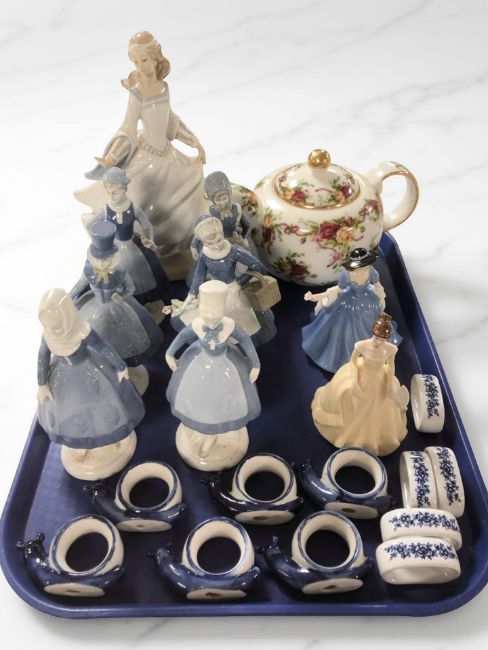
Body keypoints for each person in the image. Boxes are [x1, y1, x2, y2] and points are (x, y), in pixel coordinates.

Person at [74, 31, 206, 277]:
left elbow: (170, 120)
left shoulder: (163, 87)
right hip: (146, 158)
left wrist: (192, 140)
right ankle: (147, 252)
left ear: (156, 58)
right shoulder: (137, 93)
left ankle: (177, 251)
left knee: (187, 190)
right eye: (135, 62)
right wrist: (113, 157)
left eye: (144, 60)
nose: (140, 66)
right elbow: (128, 126)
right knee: (143, 204)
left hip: (167, 154)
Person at [37, 288, 144, 478]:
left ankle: (110, 437)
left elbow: (104, 347)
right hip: (62, 380)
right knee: (73, 414)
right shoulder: (47, 337)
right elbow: (42, 358)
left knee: (104, 409)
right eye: (48, 325)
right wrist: (42, 384)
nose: (53, 329)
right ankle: (82, 443)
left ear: (67, 317)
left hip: (92, 372)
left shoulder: (82, 331)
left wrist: (120, 366)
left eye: (57, 324)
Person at [166, 280, 261, 470]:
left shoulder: (230, 325)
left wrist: (256, 364)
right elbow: (181, 337)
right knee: (197, 397)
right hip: (199, 363)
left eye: (215, 318)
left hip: (226, 364)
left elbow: (246, 342)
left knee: (222, 399)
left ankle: (215, 430)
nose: (210, 322)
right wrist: (169, 353)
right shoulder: (197, 323)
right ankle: (200, 425)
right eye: (207, 317)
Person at [70, 221, 164, 395]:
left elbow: (131, 288)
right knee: (97, 338)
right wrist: (68, 297)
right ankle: (108, 367)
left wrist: (121, 296)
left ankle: (126, 366)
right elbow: (79, 285)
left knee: (125, 338)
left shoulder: (120, 271)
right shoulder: (88, 271)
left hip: (117, 308)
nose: (103, 263)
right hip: (95, 309)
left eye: (107, 259)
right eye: (100, 259)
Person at [311, 313, 409, 456]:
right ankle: (344, 432)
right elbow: (353, 361)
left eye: (382, 340)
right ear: (373, 334)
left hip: (380, 377)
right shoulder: (362, 345)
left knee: (385, 403)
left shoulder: (391, 349)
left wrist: (389, 383)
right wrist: (355, 380)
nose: (378, 342)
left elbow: (390, 366)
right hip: (361, 373)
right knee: (345, 392)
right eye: (376, 338)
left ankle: (372, 439)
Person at [173, 217, 276, 346]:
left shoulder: (232, 251)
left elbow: (256, 265)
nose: (216, 246)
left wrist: (240, 282)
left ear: (222, 234)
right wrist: (192, 294)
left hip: (232, 287)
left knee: (234, 311)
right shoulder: (205, 255)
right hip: (214, 287)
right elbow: (199, 275)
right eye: (210, 243)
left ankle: (236, 342)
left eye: (219, 240)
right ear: (203, 243)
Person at [87, 166, 169, 323]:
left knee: (144, 274)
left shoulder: (133, 208)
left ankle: (150, 303)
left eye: (115, 192)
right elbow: (91, 225)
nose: (112, 196)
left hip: (133, 245)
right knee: (125, 276)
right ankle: (135, 305)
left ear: (124, 189)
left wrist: (149, 239)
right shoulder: (106, 210)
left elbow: (147, 225)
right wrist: (101, 243)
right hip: (116, 251)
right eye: (109, 192)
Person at [302, 247, 401, 372]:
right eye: (360, 265)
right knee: (340, 325)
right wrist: (316, 297)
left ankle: (370, 351)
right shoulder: (346, 274)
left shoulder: (372, 272)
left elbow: (378, 285)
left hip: (368, 300)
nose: (363, 268)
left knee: (371, 323)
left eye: (365, 264)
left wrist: (381, 297)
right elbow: (336, 289)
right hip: (347, 301)